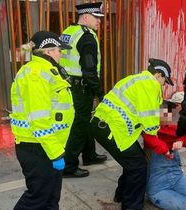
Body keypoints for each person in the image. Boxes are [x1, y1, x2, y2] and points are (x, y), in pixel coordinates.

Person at [89, 58, 174, 210]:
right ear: (158, 75)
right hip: (112, 129)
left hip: (103, 124)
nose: (164, 85)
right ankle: (131, 206)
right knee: (139, 165)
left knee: (132, 160)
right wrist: (163, 147)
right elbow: (150, 128)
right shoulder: (150, 85)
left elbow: (152, 110)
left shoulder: (136, 79)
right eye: (164, 81)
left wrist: (167, 113)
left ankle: (121, 194)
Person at [10, 31, 74, 210]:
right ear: (48, 51)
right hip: (37, 147)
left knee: (51, 197)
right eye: (59, 50)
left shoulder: (47, 70)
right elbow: (39, 120)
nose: (61, 53)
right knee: (37, 197)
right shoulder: (36, 75)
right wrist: (55, 153)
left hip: (48, 145)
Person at [59, 1, 107, 178]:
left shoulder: (68, 31)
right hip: (81, 88)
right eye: (97, 18)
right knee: (79, 126)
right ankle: (69, 166)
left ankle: (90, 155)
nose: (99, 22)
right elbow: (89, 70)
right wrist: (100, 92)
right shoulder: (87, 37)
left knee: (84, 121)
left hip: (69, 85)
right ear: (86, 17)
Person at [145, 101, 186, 210]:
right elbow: (149, 137)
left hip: (176, 178)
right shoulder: (150, 127)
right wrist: (165, 150)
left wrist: (181, 141)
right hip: (158, 188)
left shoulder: (173, 123)